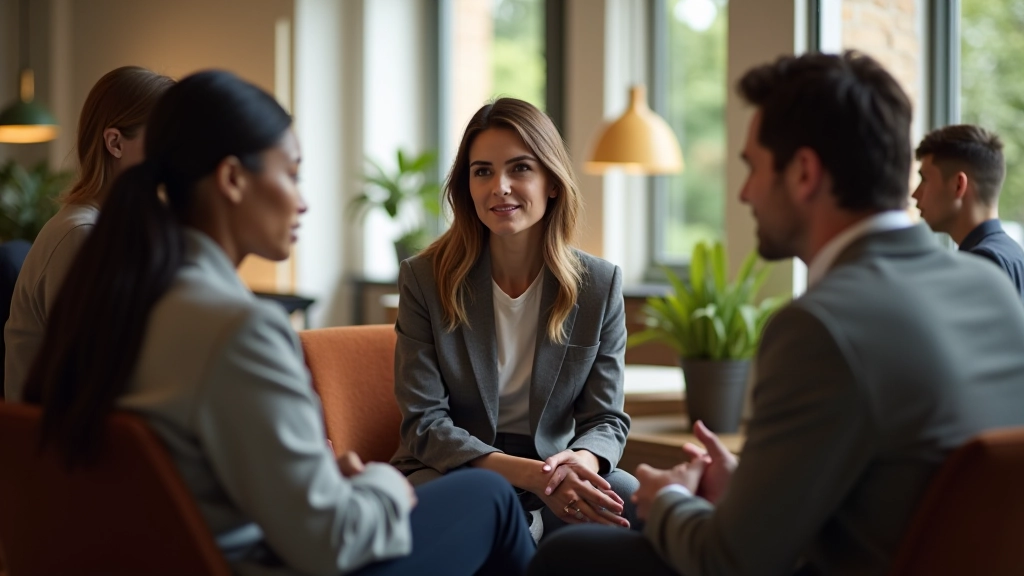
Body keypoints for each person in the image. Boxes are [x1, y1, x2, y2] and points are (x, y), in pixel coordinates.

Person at [529, 51, 1024, 576]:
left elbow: (732, 561)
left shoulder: (820, 326)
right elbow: (897, 481)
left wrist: (670, 498)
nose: (745, 192)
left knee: (570, 555)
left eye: (752, 167)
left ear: (804, 173)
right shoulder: (989, 288)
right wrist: (753, 484)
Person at [22, 70, 534, 576]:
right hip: (265, 561)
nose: (303, 200)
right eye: (291, 174)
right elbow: (329, 543)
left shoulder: (118, 297)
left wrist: (324, 484)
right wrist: (384, 487)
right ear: (232, 179)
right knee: (487, 496)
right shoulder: (236, 329)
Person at [389, 98, 637, 542]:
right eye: (482, 171)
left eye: (520, 168)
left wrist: (581, 463)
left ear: (552, 182)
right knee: (467, 511)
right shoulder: (424, 279)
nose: (499, 186)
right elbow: (424, 423)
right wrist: (529, 476)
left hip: (556, 465)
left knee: (634, 505)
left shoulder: (599, 285)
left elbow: (607, 420)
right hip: (453, 466)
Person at [4, 66, 174, 401]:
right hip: (51, 445)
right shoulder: (81, 235)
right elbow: (92, 378)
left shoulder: (112, 230)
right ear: (115, 143)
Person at [912, 124, 1024, 296]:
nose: (915, 194)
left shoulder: (982, 264)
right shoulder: (1013, 253)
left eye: (924, 179)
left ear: (958, 185)